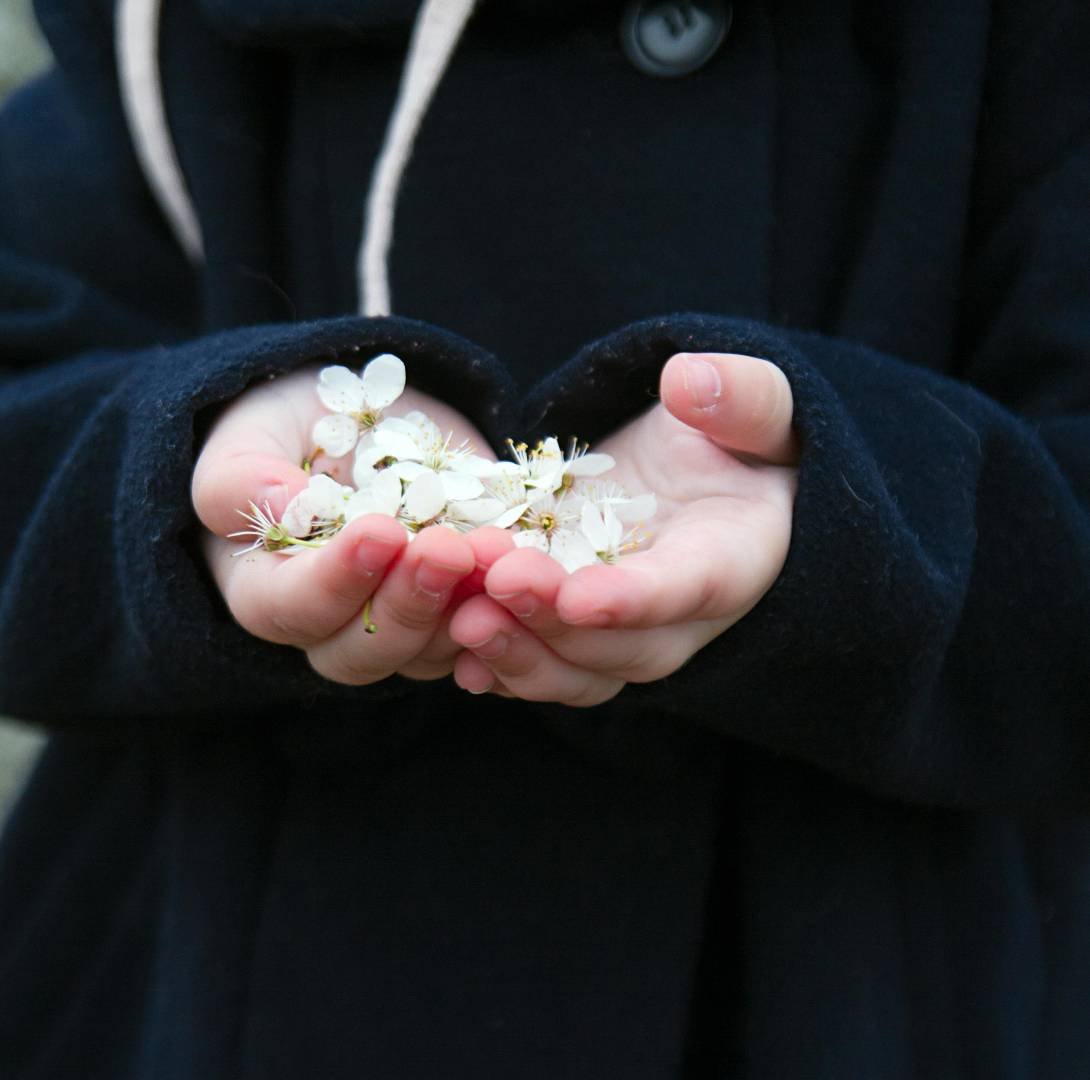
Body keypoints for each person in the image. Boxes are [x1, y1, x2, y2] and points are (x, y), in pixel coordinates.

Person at [1, 0, 1088, 1076]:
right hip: (217, 974)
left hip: (866, 981)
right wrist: (185, 466)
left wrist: (859, 514)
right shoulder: (166, 29)